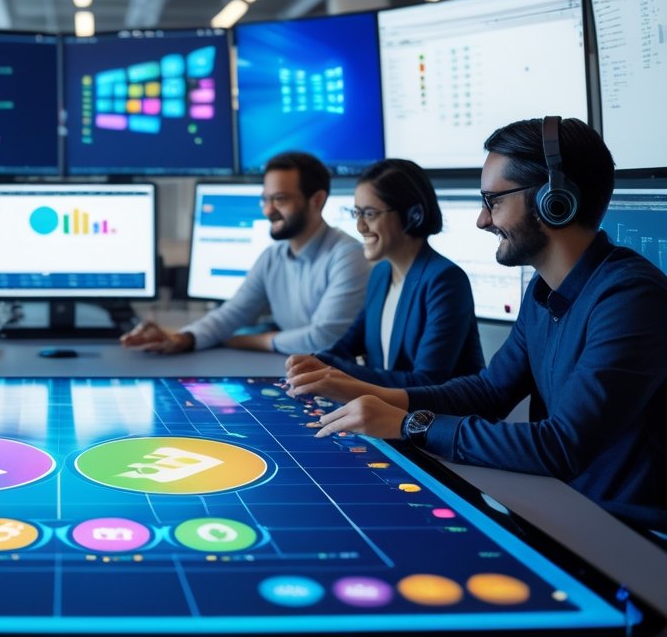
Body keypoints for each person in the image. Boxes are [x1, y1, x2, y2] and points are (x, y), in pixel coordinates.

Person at [290, 117, 667, 532]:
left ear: (553, 201)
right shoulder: (543, 291)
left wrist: (406, 424)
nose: (482, 220)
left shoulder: (631, 297)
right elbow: (490, 391)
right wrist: (379, 396)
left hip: (628, 532)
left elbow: (562, 445)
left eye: (493, 201)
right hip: (565, 505)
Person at [121, 151, 369, 354]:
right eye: (265, 199)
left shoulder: (347, 256)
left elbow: (323, 338)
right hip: (294, 370)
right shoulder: (273, 256)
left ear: (317, 201)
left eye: (280, 199)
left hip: (336, 380)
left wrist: (246, 340)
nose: (268, 210)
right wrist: (184, 338)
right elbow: (231, 314)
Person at [285, 159, 484, 387]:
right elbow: (348, 345)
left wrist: (332, 373)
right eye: (356, 213)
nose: (360, 226)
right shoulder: (381, 273)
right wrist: (312, 362)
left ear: (414, 215)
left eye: (369, 214)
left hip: (437, 419)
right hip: (389, 413)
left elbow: (428, 382)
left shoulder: (445, 280)